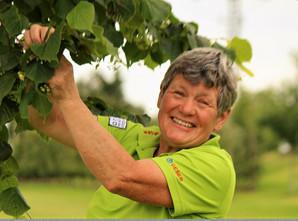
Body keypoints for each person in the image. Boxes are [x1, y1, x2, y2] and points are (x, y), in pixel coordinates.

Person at [24, 24, 237, 219]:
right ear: (161, 95)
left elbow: (123, 177)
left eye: (203, 102)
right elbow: (48, 119)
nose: (187, 109)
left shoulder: (215, 166)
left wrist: (68, 95)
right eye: (179, 93)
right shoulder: (135, 136)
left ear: (221, 118)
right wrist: (38, 60)